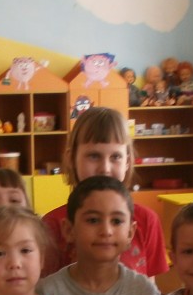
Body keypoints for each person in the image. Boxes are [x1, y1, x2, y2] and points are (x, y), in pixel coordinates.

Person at [41, 106, 168, 279]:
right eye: (94, 156)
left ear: (127, 162)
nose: (105, 168)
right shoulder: (52, 225)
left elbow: (149, 287)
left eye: (115, 157)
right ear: (71, 158)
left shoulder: (146, 220)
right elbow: (44, 289)